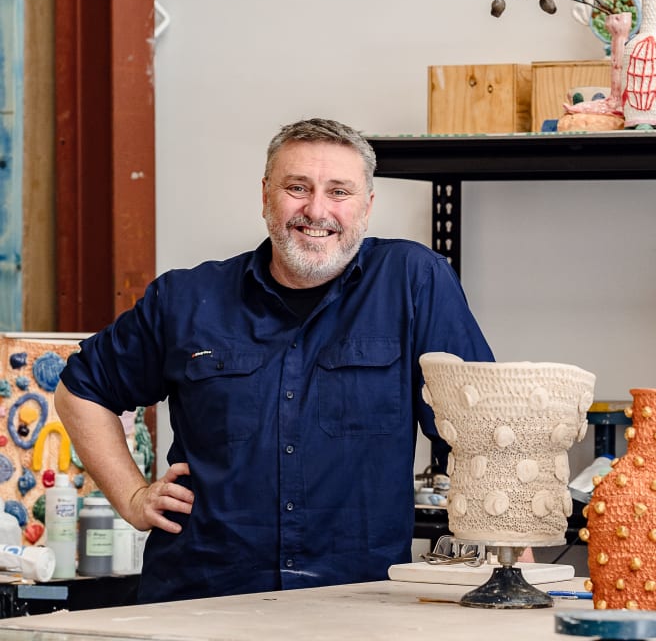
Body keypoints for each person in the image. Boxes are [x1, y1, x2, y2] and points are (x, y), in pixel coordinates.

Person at [55, 118, 494, 603]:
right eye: (297, 187)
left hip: (358, 605)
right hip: (200, 602)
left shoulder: (413, 283)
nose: (316, 209)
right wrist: (134, 497)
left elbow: (482, 430)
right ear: (266, 195)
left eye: (339, 192)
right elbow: (81, 389)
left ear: (367, 207)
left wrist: (510, 557)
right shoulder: (186, 298)